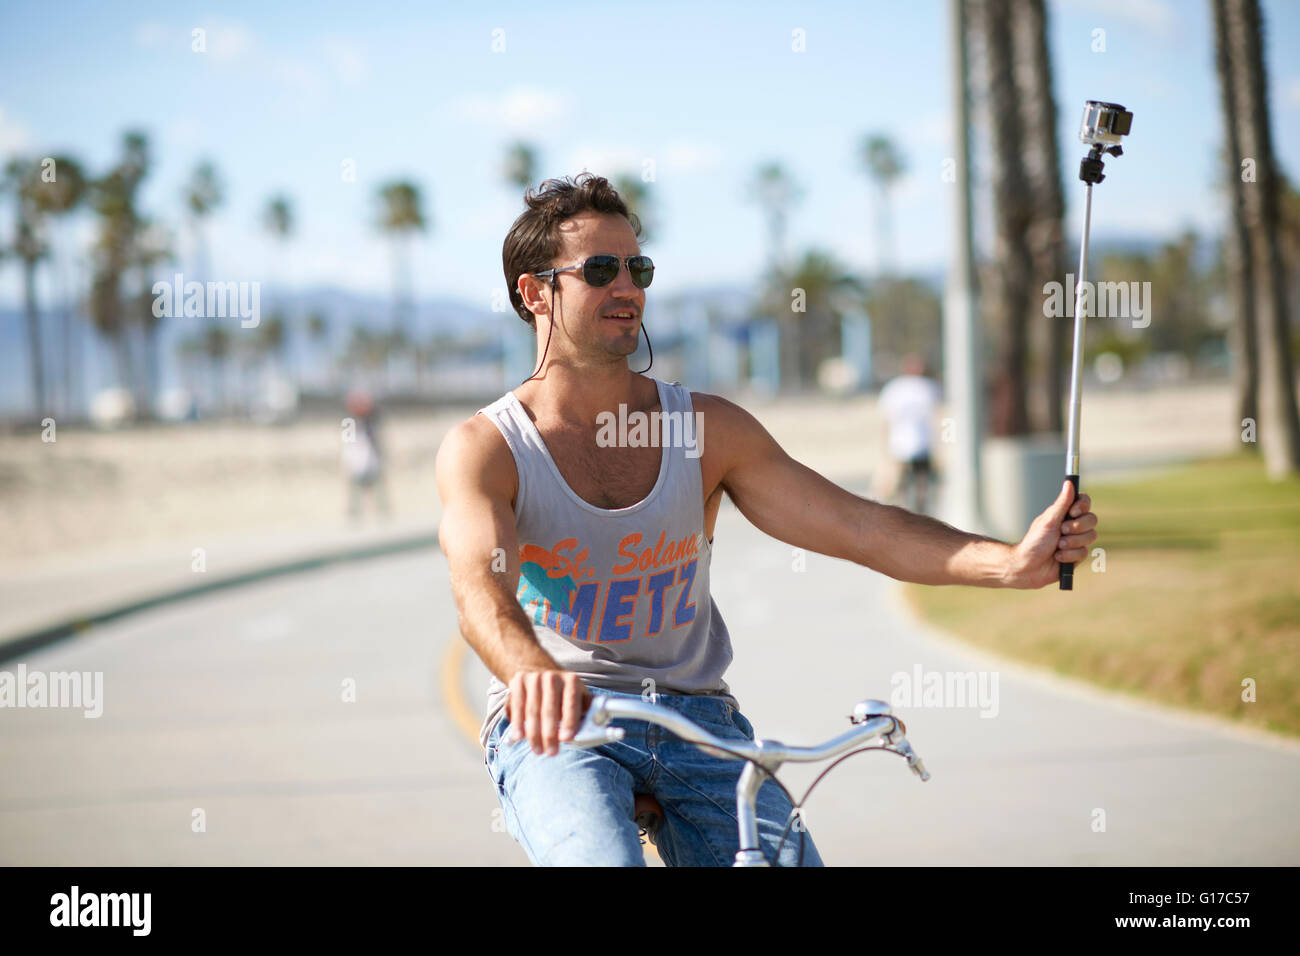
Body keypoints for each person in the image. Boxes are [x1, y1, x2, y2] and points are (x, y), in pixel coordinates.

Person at [434, 174, 1098, 867]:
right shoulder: (488, 448)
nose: (627, 287)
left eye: (639, 268)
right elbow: (480, 588)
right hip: (560, 721)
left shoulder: (707, 429)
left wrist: (1010, 562)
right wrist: (532, 670)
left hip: (698, 720)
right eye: (600, 270)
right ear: (534, 293)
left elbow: (859, 527)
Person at [878, 354, 942, 515]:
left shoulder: (926, 387)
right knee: (903, 487)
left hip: (919, 445)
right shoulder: (897, 389)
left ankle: (914, 515)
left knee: (917, 487)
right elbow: (886, 421)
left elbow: (942, 418)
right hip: (905, 446)